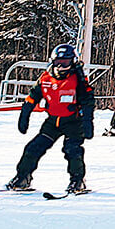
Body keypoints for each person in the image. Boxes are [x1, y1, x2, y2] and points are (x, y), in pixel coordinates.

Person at [6, 43, 95, 193]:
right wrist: (24, 115)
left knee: (72, 150)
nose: (60, 67)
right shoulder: (46, 78)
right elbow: (32, 98)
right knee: (33, 147)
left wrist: (87, 121)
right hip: (53, 121)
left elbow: (88, 101)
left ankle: (77, 180)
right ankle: (22, 177)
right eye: (57, 63)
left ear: (72, 62)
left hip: (73, 122)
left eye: (65, 63)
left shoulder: (78, 79)